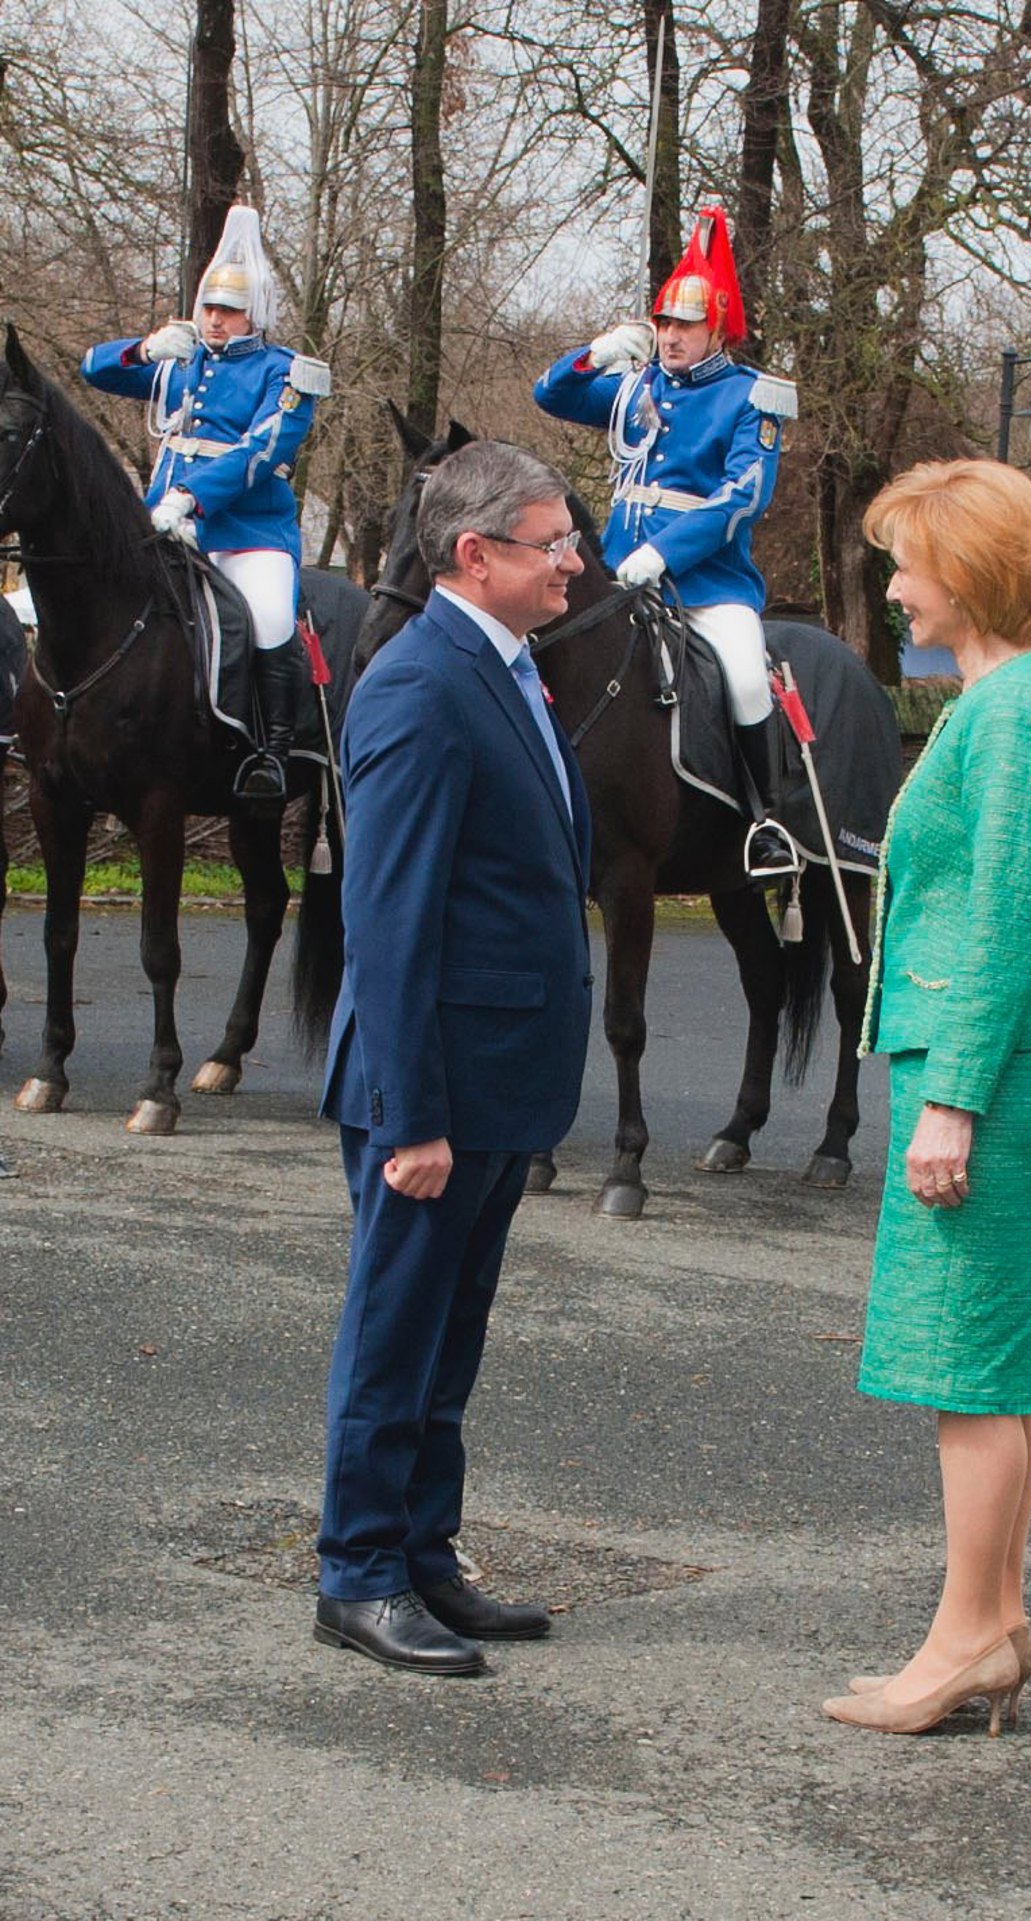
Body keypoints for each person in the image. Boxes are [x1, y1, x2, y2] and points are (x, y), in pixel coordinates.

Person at [821, 459, 1031, 1738]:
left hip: (979, 1070)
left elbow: (1006, 917)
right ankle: (990, 1625)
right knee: (994, 1362)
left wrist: (953, 1104)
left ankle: (961, 1639)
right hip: (978, 1064)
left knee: (968, 1370)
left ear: (969, 572)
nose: (891, 588)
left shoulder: (1015, 712)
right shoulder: (1001, 701)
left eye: (906, 563)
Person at [314, 440, 594, 1676]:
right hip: (428, 1094)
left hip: (495, 1083)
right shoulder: (419, 683)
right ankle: (359, 1571)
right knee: (395, 1334)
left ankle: (425, 1554)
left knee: (448, 1337)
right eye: (553, 544)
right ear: (473, 555)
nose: (574, 562)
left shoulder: (508, 667)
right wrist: (411, 1113)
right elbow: (385, 916)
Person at [533, 205, 799, 876]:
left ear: (717, 329)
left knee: (744, 678)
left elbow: (742, 496)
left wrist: (665, 552)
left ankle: (764, 823)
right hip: (618, 575)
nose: (670, 335)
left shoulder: (750, 398)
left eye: (684, 324)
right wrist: (595, 354)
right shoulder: (636, 388)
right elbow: (550, 395)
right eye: (663, 323)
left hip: (706, 583)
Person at [81, 205, 329, 802]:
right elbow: (93, 369)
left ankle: (269, 754)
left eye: (228, 311)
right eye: (209, 308)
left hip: (246, 531)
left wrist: (190, 499)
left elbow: (261, 450)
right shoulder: (180, 361)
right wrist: (144, 350)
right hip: (160, 526)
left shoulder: (285, 372)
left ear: (254, 315)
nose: (215, 320)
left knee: (269, 619)